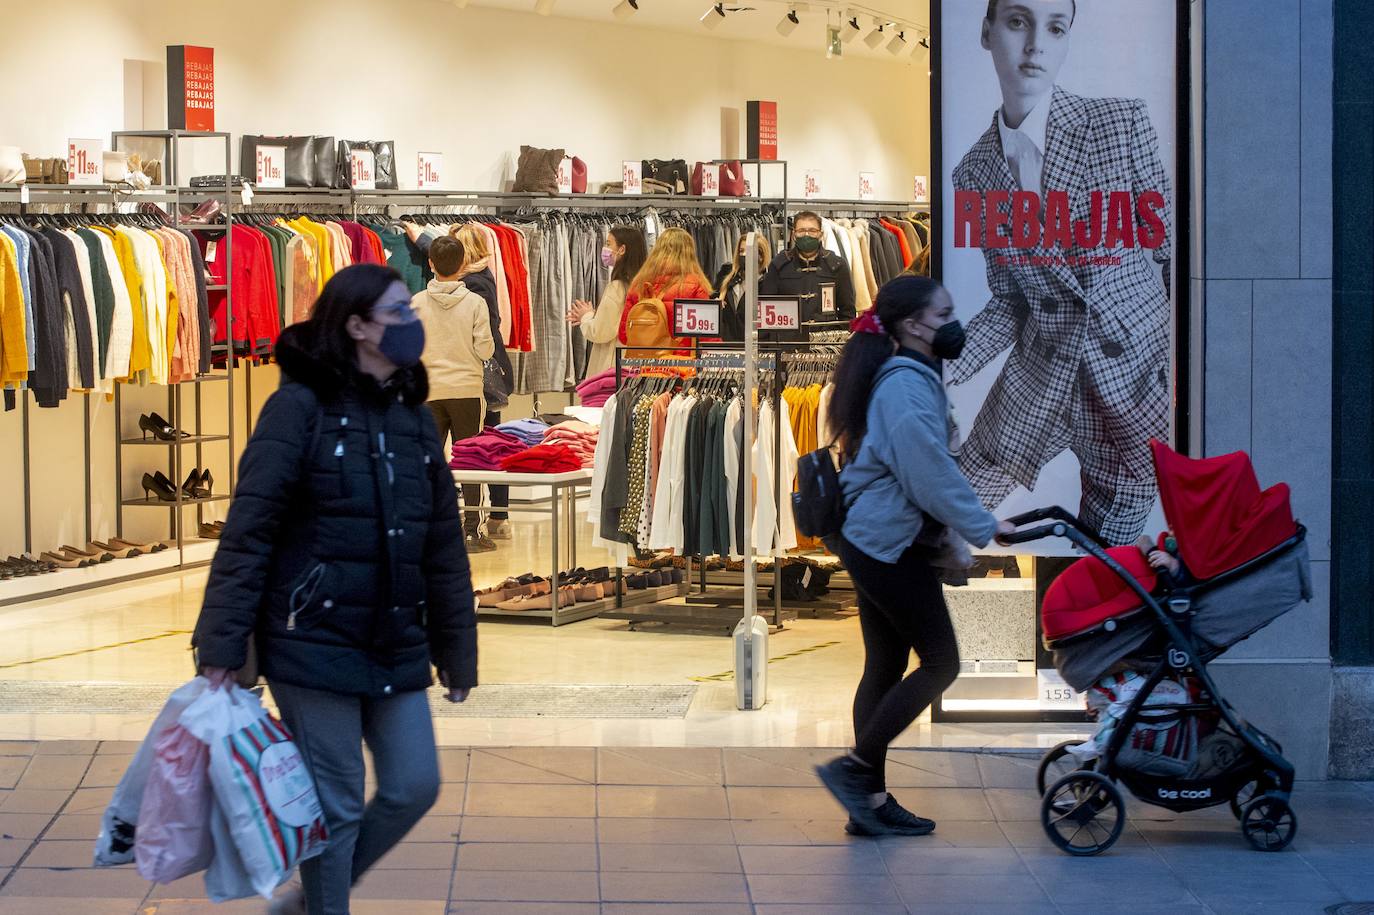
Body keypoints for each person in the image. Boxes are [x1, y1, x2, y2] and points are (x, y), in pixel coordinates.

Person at [191, 264, 477, 915]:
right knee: (337, 803)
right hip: (310, 640)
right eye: (398, 313)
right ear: (356, 325)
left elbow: (442, 544)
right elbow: (250, 528)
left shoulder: (411, 415)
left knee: (413, 784)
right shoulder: (298, 407)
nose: (412, 324)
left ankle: (314, 895)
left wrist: (457, 649)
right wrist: (223, 642)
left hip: (395, 637)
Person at [948, 0, 1172, 546]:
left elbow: (1168, 258)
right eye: (1019, 22)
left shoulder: (1120, 124)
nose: (1036, 46)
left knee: (1108, 568)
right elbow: (1010, 300)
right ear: (987, 33)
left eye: (1056, 28)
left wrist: (1159, 362)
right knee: (946, 516)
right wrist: (939, 367)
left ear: (1069, 39)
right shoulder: (974, 172)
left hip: (1131, 386)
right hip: (1041, 373)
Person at [814, 275, 1014, 837]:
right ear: (912, 325)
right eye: (944, 312)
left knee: (885, 664)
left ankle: (869, 804)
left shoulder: (911, 375)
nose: (954, 322)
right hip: (883, 545)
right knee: (942, 661)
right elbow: (927, 469)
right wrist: (983, 525)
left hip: (877, 539)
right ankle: (856, 773)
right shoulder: (905, 384)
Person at [413, 235, 497, 553]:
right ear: (463, 265)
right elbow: (485, 347)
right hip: (466, 390)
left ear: (430, 264)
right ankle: (472, 531)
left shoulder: (417, 303)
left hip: (429, 391)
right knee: (471, 462)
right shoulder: (475, 303)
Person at [450, 223, 516, 541]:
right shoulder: (482, 275)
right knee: (491, 441)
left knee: (487, 445)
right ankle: (497, 515)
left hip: (481, 376)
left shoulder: (474, 283)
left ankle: (497, 515)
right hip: (483, 374)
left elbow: (482, 333)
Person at [759, 210, 857, 337]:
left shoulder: (837, 266)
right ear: (794, 234)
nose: (806, 235)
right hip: (787, 344)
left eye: (812, 231)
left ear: (820, 234)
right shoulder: (779, 265)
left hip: (825, 344)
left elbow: (847, 313)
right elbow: (766, 310)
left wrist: (836, 339)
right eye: (801, 231)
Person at [567, 225, 648, 376]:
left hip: (612, 365)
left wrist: (586, 316)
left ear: (622, 249)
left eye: (608, 244)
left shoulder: (618, 287)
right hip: (635, 361)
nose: (605, 248)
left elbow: (601, 331)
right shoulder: (643, 285)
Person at [615, 227, 713, 349]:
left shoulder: (639, 284)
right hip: (682, 364)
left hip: (645, 363)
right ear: (690, 254)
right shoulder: (695, 286)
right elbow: (708, 340)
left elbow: (624, 336)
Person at [710, 234, 772, 341]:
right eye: (741, 250)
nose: (743, 254)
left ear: (761, 256)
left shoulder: (768, 282)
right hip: (728, 344)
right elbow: (714, 302)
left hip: (755, 345)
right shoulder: (727, 276)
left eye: (749, 251)